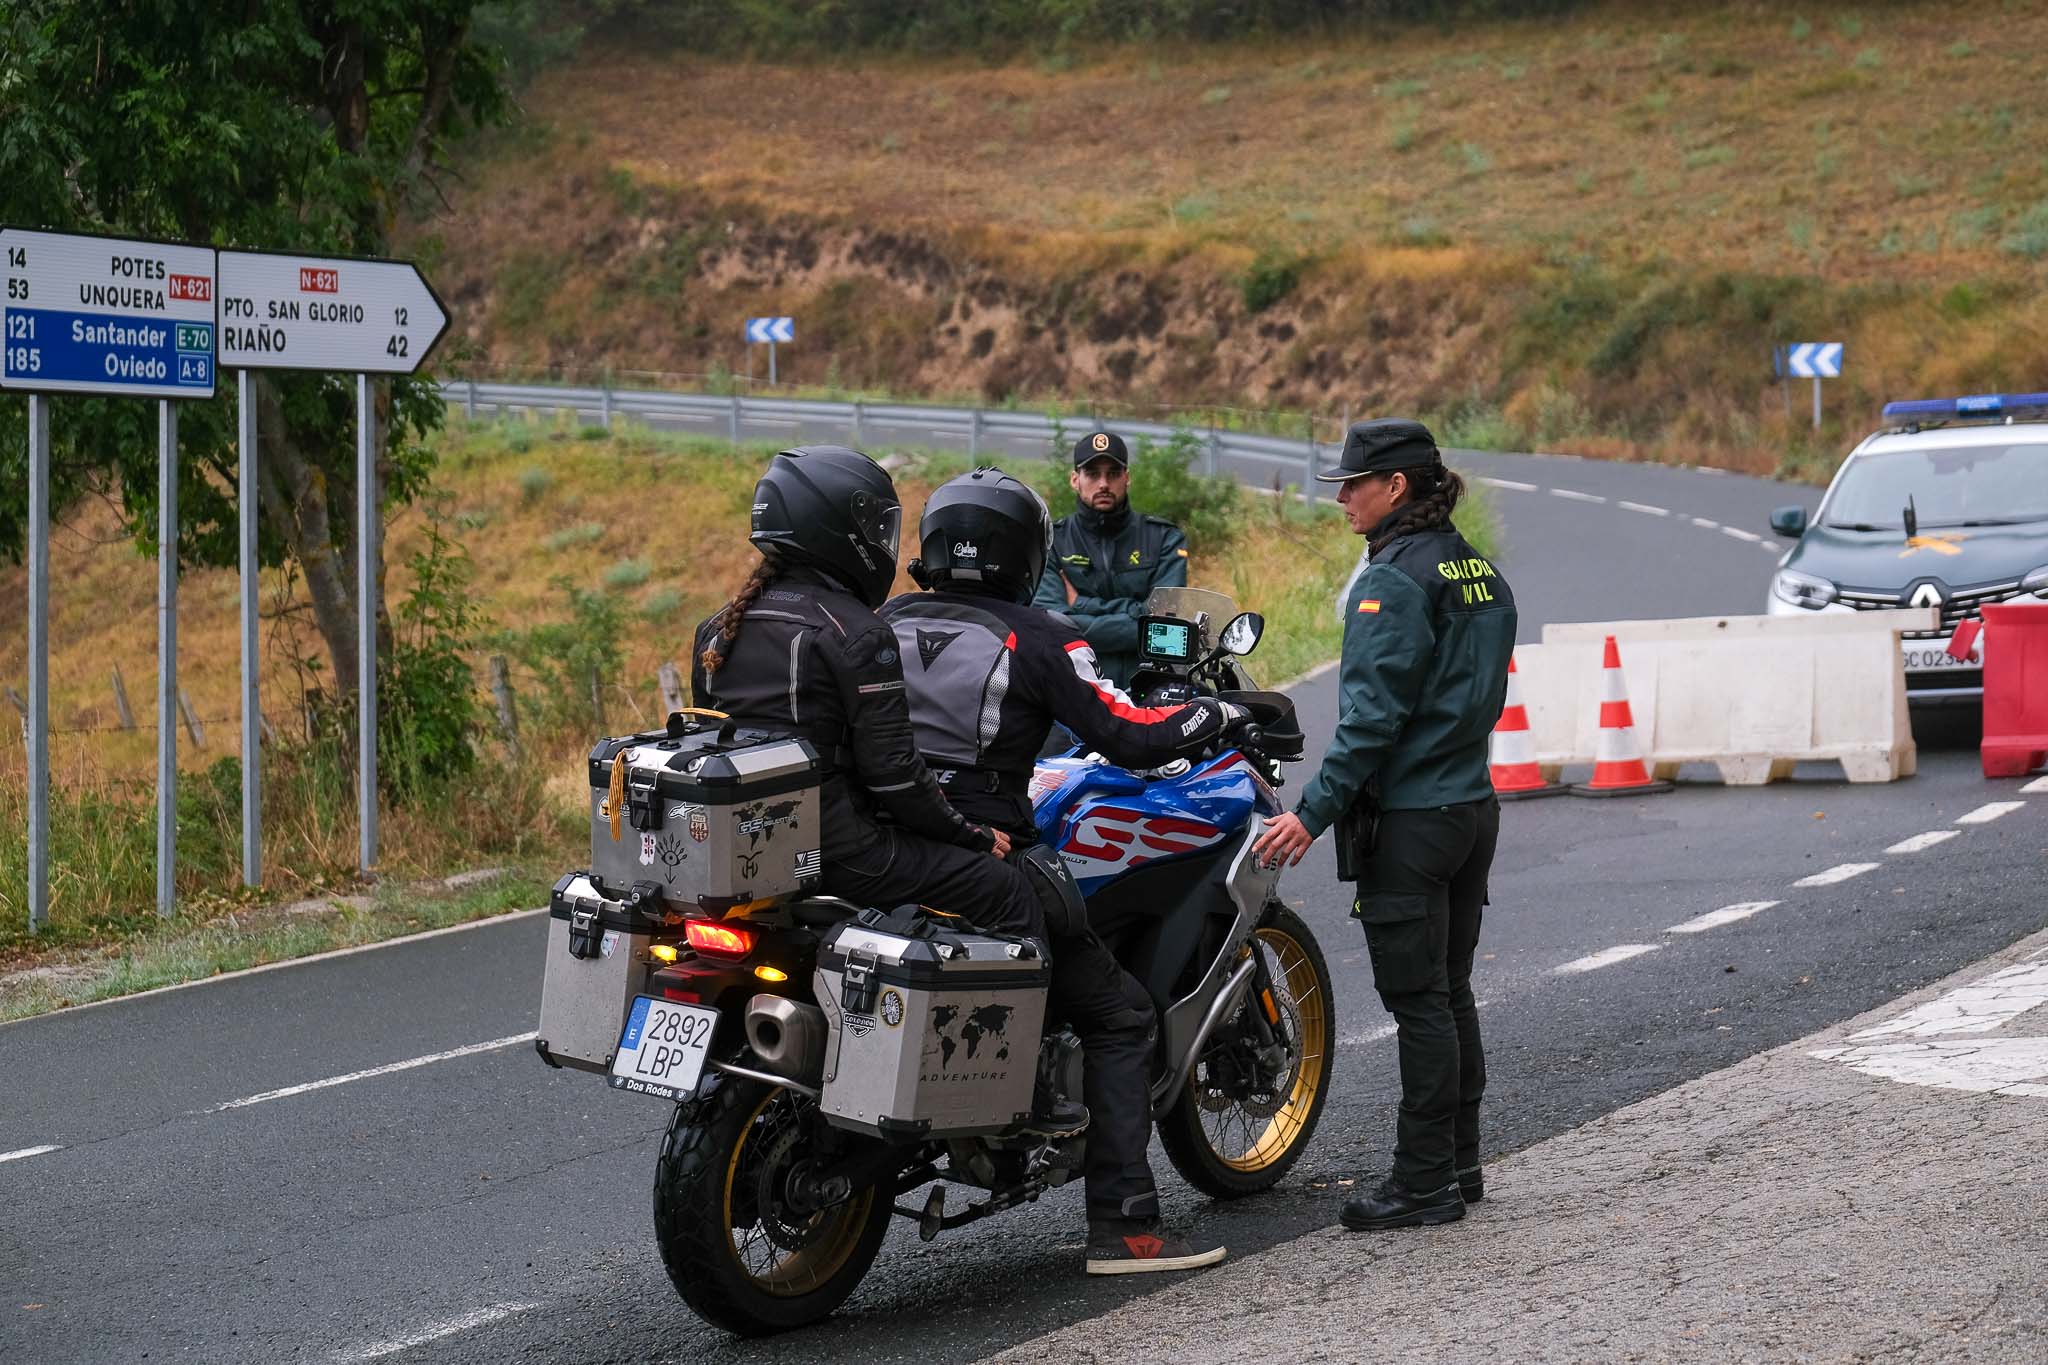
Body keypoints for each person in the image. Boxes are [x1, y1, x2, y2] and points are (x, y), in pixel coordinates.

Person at [882, 466, 1244, 1275]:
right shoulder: (1038, 635)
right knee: (1120, 1015)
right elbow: (1135, 736)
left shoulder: (880, 622)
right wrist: (1215, 710)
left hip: (873, 859)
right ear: (1023, 551)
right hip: (985, 860)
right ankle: (1128, 1227)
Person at [1250, 418, 1515, 1233]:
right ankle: (1460, 1165)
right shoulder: (1480, 571)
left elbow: (1368, 722)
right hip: (1472, 806)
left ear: (1395, 486)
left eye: (1352, 483)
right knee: (1451, 989)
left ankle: (1422, 1181)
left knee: (1419, 1002)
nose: (1339, 499)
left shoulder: (1391, 581)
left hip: (1412, 819)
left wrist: (1311, 814)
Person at [689, 443, 1042, 956]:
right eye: (877, 527)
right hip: (839, 851)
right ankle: (1022, 1032)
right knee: (1006, 889)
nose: (884, 541)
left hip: (747, 851)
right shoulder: (858, 633)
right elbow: (895, 775)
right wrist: (973, 835)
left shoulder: (719, 627)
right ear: (837, 528)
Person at [1031, 431, 1190, 691]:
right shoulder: (1052, 542)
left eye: (1113, 474)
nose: (1103, 484)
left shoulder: (1164, 538)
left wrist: (1081, 604)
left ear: (1126, 478)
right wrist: (1139, 614)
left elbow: (1165, 629)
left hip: (1149, 686)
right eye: (1093, 474)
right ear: (1075, 480)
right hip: (1075, 689)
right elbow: (1052, 628)